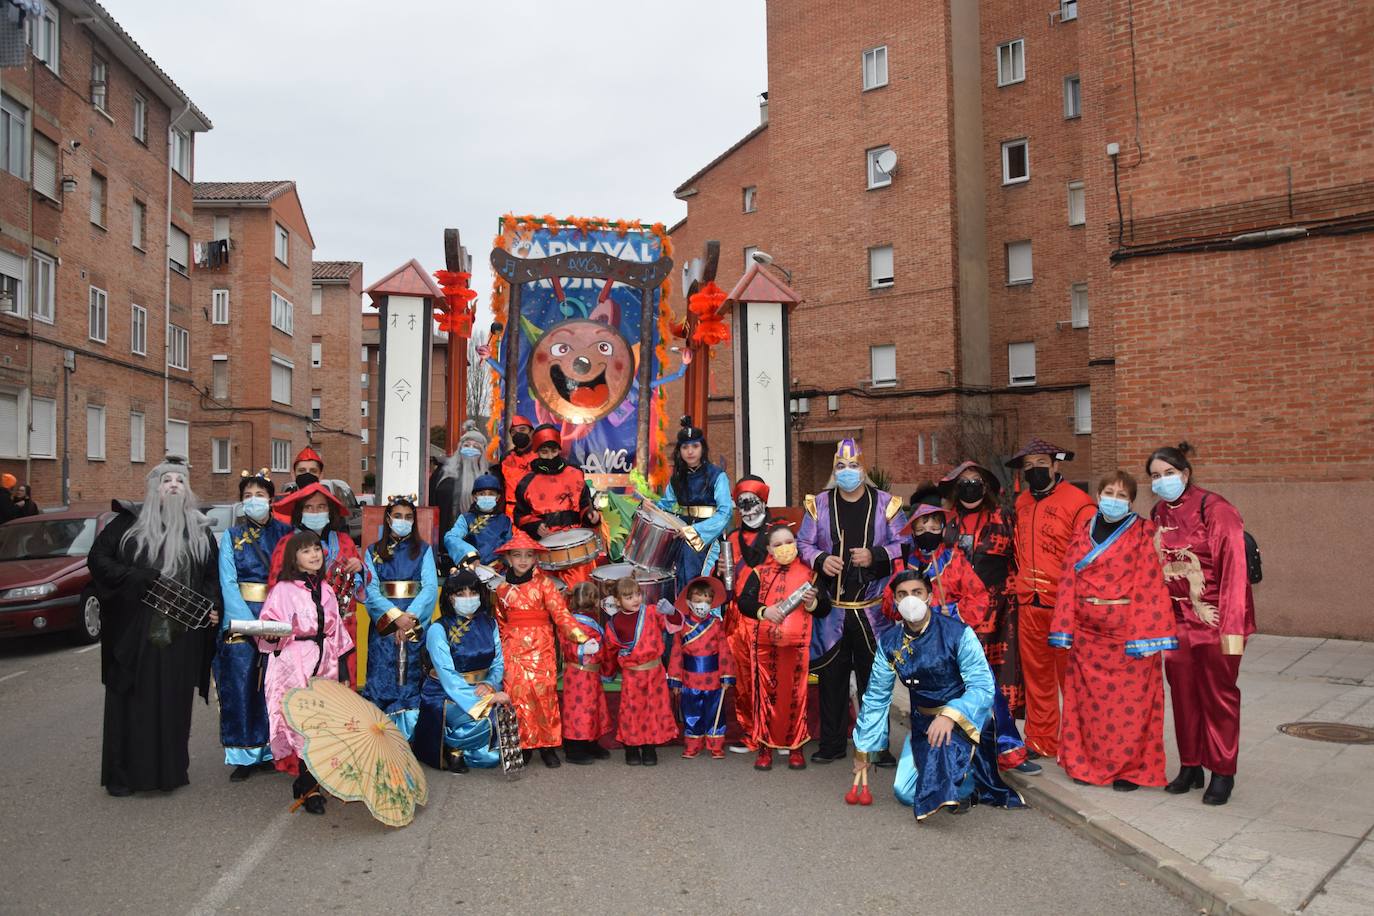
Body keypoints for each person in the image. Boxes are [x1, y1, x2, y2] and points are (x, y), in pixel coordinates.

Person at [87, 456, 220, 796]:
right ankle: (125, 775)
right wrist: (134, 576)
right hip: (136, 629)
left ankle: (168, 773)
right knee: (133, 698)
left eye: (180, 480)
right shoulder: (127, 523)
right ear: (153, 488)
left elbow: (211, 577)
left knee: (174, 701)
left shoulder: (200, 530)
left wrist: (212, 607)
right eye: (166, 480)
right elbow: (98, 560)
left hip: (182, 631)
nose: (174, 484)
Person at [853, 571, 1024, 819]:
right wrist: (864, 749)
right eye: (902, 595)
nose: (909, 599)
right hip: (923, 723)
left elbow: (982, 686)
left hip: (963, 720)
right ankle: (955, 777)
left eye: (916, 592)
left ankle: (968, 780)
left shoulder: (958, 633)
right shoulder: (889, 642)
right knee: (905, 793)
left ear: (929, 596)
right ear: (896, 602)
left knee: (945, 788)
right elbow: (877, 696)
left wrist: (950, 715)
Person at [1051, 471, 1176, 791]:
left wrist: (1148, 636)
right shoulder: (1083, 530)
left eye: (1122, 496)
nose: (1115, 500)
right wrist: (1064, 628)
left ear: (1132, 501)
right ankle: (1086, 764)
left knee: (1129, 711)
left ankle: (1130, 770)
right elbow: (1068, 579)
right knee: (1089, 709)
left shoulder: (1143, 533)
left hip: (1129, 639)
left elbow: (1151, 584)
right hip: (1087, 637)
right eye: (1109, 492)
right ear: (1098, 494)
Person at [1149, 443, 1255, 806]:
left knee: (1219, 696)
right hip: (1176, 621)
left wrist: (1232, 630)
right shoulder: (1158, 512)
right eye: (1155, 476)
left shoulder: (1217, 509)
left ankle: (1223, 771)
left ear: (1185, 473)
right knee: (1183, 696)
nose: (1162, 481)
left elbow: (1235, 571)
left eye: (1168, 473)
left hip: (1214, 620)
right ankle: (1191, 765)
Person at [798, 438, 907, 765]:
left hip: (872, 613)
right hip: (832, 611)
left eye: (854, 466)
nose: (848, 472)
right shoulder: (818, 504)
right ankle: (832, 745)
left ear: (864, 467)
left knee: (874, 683)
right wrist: (820, 559)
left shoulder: (887, 504)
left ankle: (878, 746)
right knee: (831, 681)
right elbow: (803, 543)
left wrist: (875, 555)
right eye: (841, 467)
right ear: (835, 470)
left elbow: (905, 542)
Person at [939, 460, 1036, 774]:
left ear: (986, 485)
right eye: (964, 479)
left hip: (1000, 612)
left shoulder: (1003, 517)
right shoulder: (945, 522)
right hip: (955, 614)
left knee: (996, 683)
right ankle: (961, 748)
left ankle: (1007, 747)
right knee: (960, 684)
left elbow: (1020, 560)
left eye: (976, 479)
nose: (970, 484)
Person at [1006, 437, 1096, 759]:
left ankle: (1079, 746)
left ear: (1056, 466)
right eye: (1028, 467)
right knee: (1037, 680)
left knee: (1072, 681)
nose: (1035, 472)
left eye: (1041, 465)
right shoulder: (1021, 503)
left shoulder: (1080, 503)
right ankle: (1041, 741)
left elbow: (1091, 559)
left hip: (1065, 607)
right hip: (1029, 605)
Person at [256, 530, 353, 815]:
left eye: (316, 549)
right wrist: (271, 636)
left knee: (321, 723)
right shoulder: (282, 590)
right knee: (301, 723)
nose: (314, 555)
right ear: (294, 558)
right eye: (306, 551)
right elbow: (268, 624)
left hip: (325, 661)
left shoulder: (326, 589)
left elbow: (337, 631)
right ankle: (311, 789)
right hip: (292, 661)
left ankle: (306, 780)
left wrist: (344, 668)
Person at [489, 529, 595, 768]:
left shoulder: (545, 585)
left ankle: (548, 746)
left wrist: (580, 637)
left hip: (542, 647)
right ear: (508, 559)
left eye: (528, 555)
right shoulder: (502, 590)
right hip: (513, 649)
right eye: (517, 555)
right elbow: (500, 620)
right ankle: (524, 745)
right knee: (518, 697)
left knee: (544, 695)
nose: (523, 560)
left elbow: (561, 615)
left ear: (536, 558)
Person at [215, 469, 293, 781]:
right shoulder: (231, 537)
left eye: (259, 495)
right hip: (242, 618)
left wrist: (275, 619)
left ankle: (275, 749)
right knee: (240, 684)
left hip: (278, 616)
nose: (253, 501)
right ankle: (244, 754)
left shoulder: (286, 533)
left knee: (275, 687)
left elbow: (291, 576)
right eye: (247, 496)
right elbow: (228, 581)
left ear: (272, 499)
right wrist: (247, 622)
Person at [736, 525, 831, 771]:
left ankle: (795, 747)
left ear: (797, 543)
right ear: (769, 549)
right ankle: (765, 748)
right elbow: (744, 602)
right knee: (765, 697)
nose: (784, 548)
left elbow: (825, 608)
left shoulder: (810, 574)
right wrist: (764, 611)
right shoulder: (759, 572)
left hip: (797, 648)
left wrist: (812, 603)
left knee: (795, 698)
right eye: (777, 544)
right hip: (765, 648)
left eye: (788, 541)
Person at [412, 569, 509, 772]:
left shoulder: (489, 623)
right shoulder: (438, 629)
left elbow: (498, 663)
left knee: (492, 754)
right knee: (489, 716)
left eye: (472, 592)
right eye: (460, 594)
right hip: (446, 694)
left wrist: (489, 684)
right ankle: (452, 745)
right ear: (449, 597)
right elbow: (447, 676)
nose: (468, 598)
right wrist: (485, 700)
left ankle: (464, 747)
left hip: (482, 688)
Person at [361, 495, 438, 739]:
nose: (402, 521)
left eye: (408, 517)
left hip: (413, 622)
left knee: (411, 677)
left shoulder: (424, 550)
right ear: (388, 518)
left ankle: (409, 738)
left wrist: (410, 618)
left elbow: (429, 588)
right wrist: (395, 617)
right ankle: (379, 738)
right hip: (384, 625)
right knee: (381, 674)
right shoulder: (372, 552)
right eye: (398, 516)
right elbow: (370, 590)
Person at [718, 474, 774, 752]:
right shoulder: (731, 538)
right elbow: (725, 581)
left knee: (772, 677)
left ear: (764, 501)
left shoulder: (779, 535)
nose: (749, 509)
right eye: (742, 504)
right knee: (744, 679)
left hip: (770, 616)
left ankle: (777, 736)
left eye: (754, 502)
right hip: (738, 618)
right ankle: (752, 734)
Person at [603, 575, 682, 766]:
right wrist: (608, 672)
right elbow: (610, 651)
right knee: (632, 712)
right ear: (618, 601)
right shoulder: (613, 624)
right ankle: (631, 749)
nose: (636, 599)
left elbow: (675, 626)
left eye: (638, 594)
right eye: (629, 597)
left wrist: (672, 612)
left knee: (653, 710)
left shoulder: (652, 612)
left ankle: (649, 748)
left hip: (654, 672)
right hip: (632, 675)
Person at [512, 424, 602, 587]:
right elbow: (519, 515)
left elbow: (584, 505)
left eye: (553, 451)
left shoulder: (575, 474)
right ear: (537, 452)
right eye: (544, 452)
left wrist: (591, 516)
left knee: (579, 594)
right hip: (544, 550)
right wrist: (535, 525)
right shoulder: (526, 482)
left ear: (559, 450)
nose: (549, 456)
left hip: (575, 548)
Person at [657, 416, 733, 591]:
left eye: (695, 446)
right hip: (682, 531)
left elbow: (725, 512)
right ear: (679, 451)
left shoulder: (717, 475)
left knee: (699, 580)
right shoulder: (677, 477)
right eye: (685, 447)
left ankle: (704, 617)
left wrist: (695, 531)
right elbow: (665, 504)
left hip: (707, 535)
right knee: (677, 577)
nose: (690, 451)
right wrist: (649, 508)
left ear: (702, 448)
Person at [667, 576, 736, 760]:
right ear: (689, 602)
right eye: (698, 601)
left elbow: (724, 650)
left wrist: (726, 676)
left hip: (713, 679)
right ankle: (692, 745)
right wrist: (675, 679)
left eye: (706, 601)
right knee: (692, 713)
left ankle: (716, 745)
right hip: (690, 679)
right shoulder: (682, 625)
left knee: (715, 713)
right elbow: (676, 653)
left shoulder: (716, 624)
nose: (702, 605)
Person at [559, 582, 612, 765]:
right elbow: (566, 645)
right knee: (578, 710)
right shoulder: (570, 622)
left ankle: (590, 741)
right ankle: (574, 747)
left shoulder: (593, 620)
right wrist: (582, 650)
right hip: (577, 673)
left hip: (592, 674)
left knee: (593, 708)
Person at [433, 421, 490, 543]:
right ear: (460, 449)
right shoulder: (443, 473)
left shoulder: (489, 477)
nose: (470, 449)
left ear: (482, 453)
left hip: (478, 541)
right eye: (466, 445)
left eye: (476, 447)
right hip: (445, 539)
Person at [443, 473, 513, 568]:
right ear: (475, 497)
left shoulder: (505, 521)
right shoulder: (466, 518)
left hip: (498, 572)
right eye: (482, 494)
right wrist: (470, 555)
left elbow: (509, 547)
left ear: (498, 497)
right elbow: (451, 537)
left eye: (491, 494)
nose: (486, 496)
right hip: (471, 570)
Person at [499, 414, 537, 515]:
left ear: (531, 432)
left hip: (536, 513)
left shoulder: (542, 455)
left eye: (522, 429)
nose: (518, 434)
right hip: (510, 514)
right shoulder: (505, 458)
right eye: (513, 432)